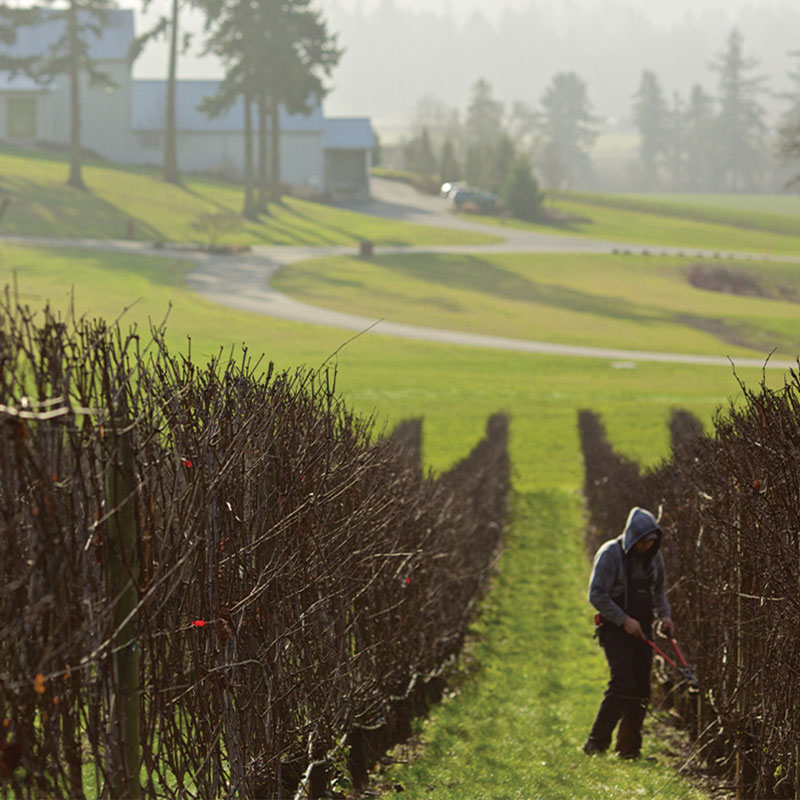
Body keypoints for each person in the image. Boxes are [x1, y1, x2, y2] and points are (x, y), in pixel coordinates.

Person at [582, 506, 674, 759]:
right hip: (616, 629)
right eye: (644, 542)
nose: (647, 547)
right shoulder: (610, 554)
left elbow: (658, 592)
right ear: (633, 538)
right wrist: (624, 621)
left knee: (642, 688)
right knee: (622, 683)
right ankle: (596, 743)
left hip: (643, 629)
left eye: (651, 542)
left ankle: (629, 748)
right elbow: (597, 594)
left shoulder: (654, 558)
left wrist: (665, 616)